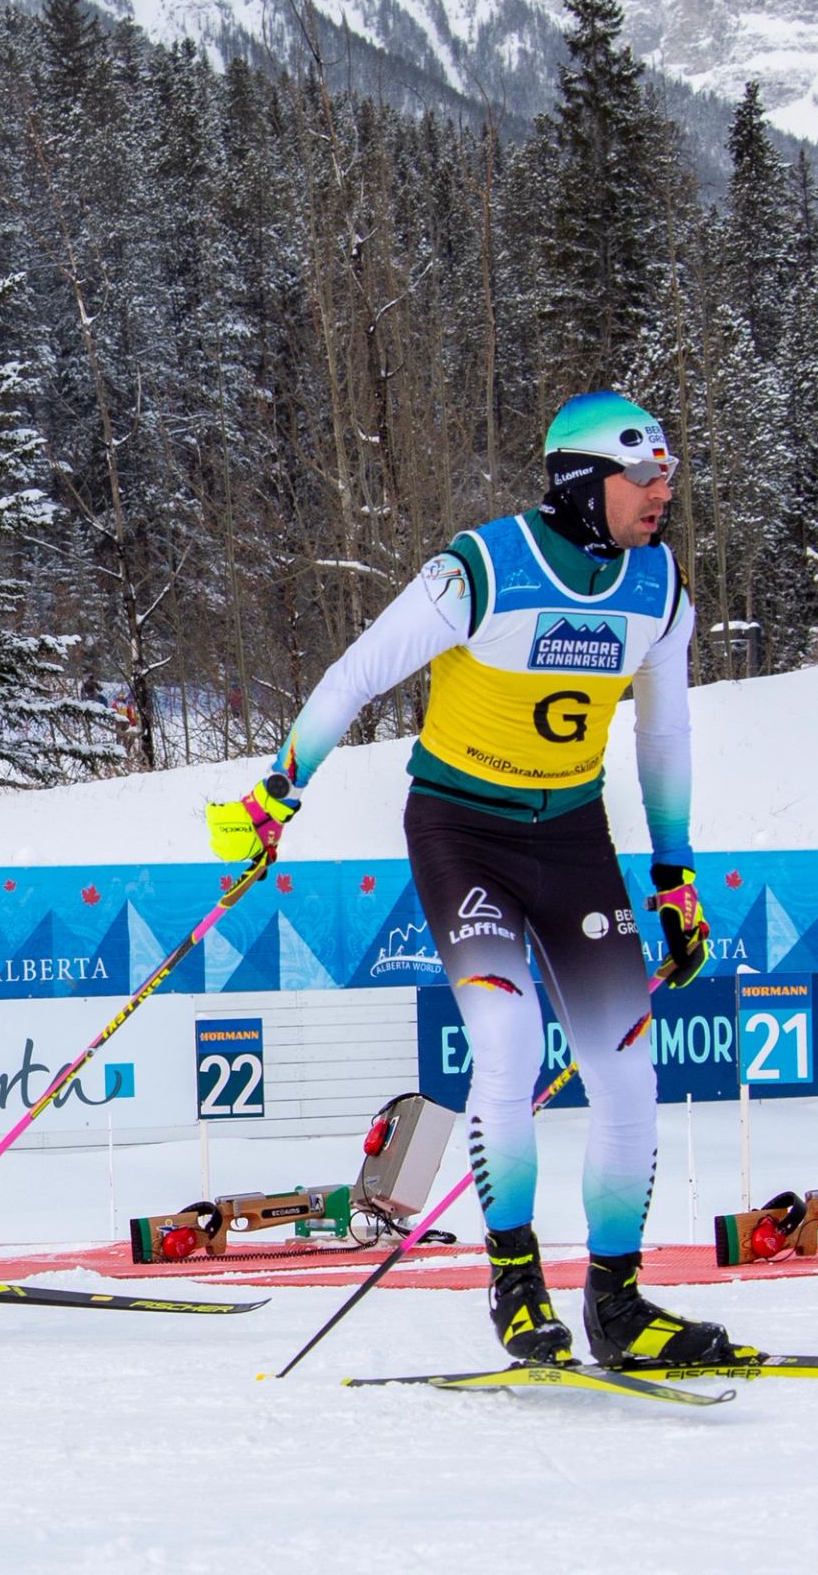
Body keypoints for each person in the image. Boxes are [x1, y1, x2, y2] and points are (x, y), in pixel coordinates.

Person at [206, 391, 739, 1369]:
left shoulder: (659, 587)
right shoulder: (484, 569)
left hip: (571, 836)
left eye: (667, 474)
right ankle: (516, 1284)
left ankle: (618, 1306)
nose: (662, 492)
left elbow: (664, 734)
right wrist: (279, 789)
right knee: (508, 1040)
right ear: (582, 482)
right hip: (463, 830)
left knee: (629, 1070)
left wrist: (676, 874)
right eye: (642, 475)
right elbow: (356, 674)